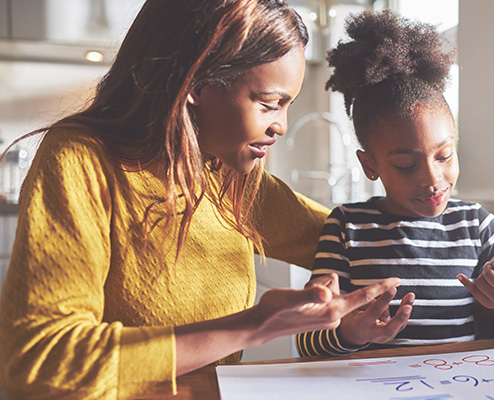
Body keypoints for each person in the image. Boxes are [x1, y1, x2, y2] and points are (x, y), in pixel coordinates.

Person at [0, 1, 407, 398]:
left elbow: (355, 241)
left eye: (287, 105)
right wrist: (254, 325)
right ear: (197, 85)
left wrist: (467, 252)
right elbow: (40, 363)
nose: (280, 126)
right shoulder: (80, 158)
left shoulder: (228, 173)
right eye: (269, 104)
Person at [295, 10, 494, 357]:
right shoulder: (346, 226)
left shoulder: (474, 224)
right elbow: (306, 340)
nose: (432, 178)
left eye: (444, 156)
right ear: (370, 165)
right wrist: (349, 333)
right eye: (406, 165)